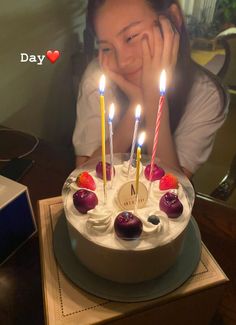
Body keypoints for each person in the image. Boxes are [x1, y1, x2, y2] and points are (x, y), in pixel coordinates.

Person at [73, 0, 227, 178]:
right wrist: (136, 105)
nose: (122, 61)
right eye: (106, 48)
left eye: (130, 37)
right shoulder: (100, 76)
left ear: (173, 19)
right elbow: (83, 177)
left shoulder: (206, 94)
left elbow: (172, 189)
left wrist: (154, 98)